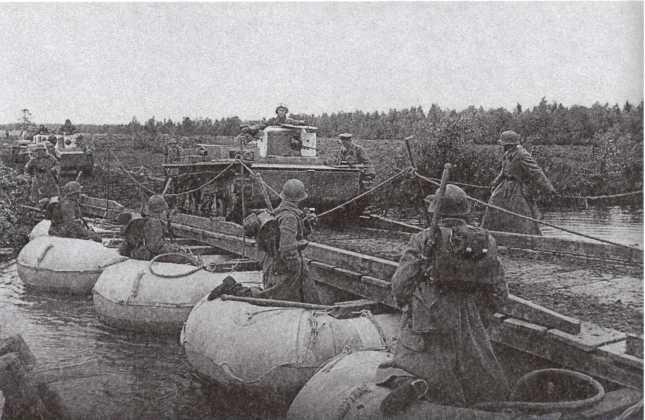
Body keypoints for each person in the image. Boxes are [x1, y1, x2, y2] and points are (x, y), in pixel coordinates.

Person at [374, 184, 510, 415]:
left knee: (403, 363)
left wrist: (408, 306)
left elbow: (400, 284)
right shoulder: (485, 240)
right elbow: (499, 290)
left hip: (430, 315)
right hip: (470, 317)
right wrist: (482, 315)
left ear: (436, 210)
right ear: (465, 211)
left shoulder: (424, 239)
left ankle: (420, 385)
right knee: (483, 370)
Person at [208, 179, 320, 303]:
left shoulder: (281, 212)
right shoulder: (289, 217)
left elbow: (286, 234)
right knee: (270, 298)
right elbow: (286, 248)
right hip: (283, 267)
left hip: (274, 263)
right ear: (299, 198)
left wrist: (306, 223)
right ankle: (232, 288)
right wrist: (295, 266)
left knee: (297, 295)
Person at [481, 130, 556, 235]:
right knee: (493, 205)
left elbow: (536, 172)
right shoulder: (507, 154)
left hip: (517, 188)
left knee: (521, 213)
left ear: (510, 145)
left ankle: (529, 237)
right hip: (504, 187)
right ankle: (492, 233)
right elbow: (503, 171)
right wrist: (495, 181)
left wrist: (549, 188)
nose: (503, 147)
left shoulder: (522, 155)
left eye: (504, 144)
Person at [118, 195, 183, 260]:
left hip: (132, 252)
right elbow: (155, 246)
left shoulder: (140, 219)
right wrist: (174, 248)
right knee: (183, 257)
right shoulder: (154, 222)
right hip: (143, 254)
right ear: (161, 210)